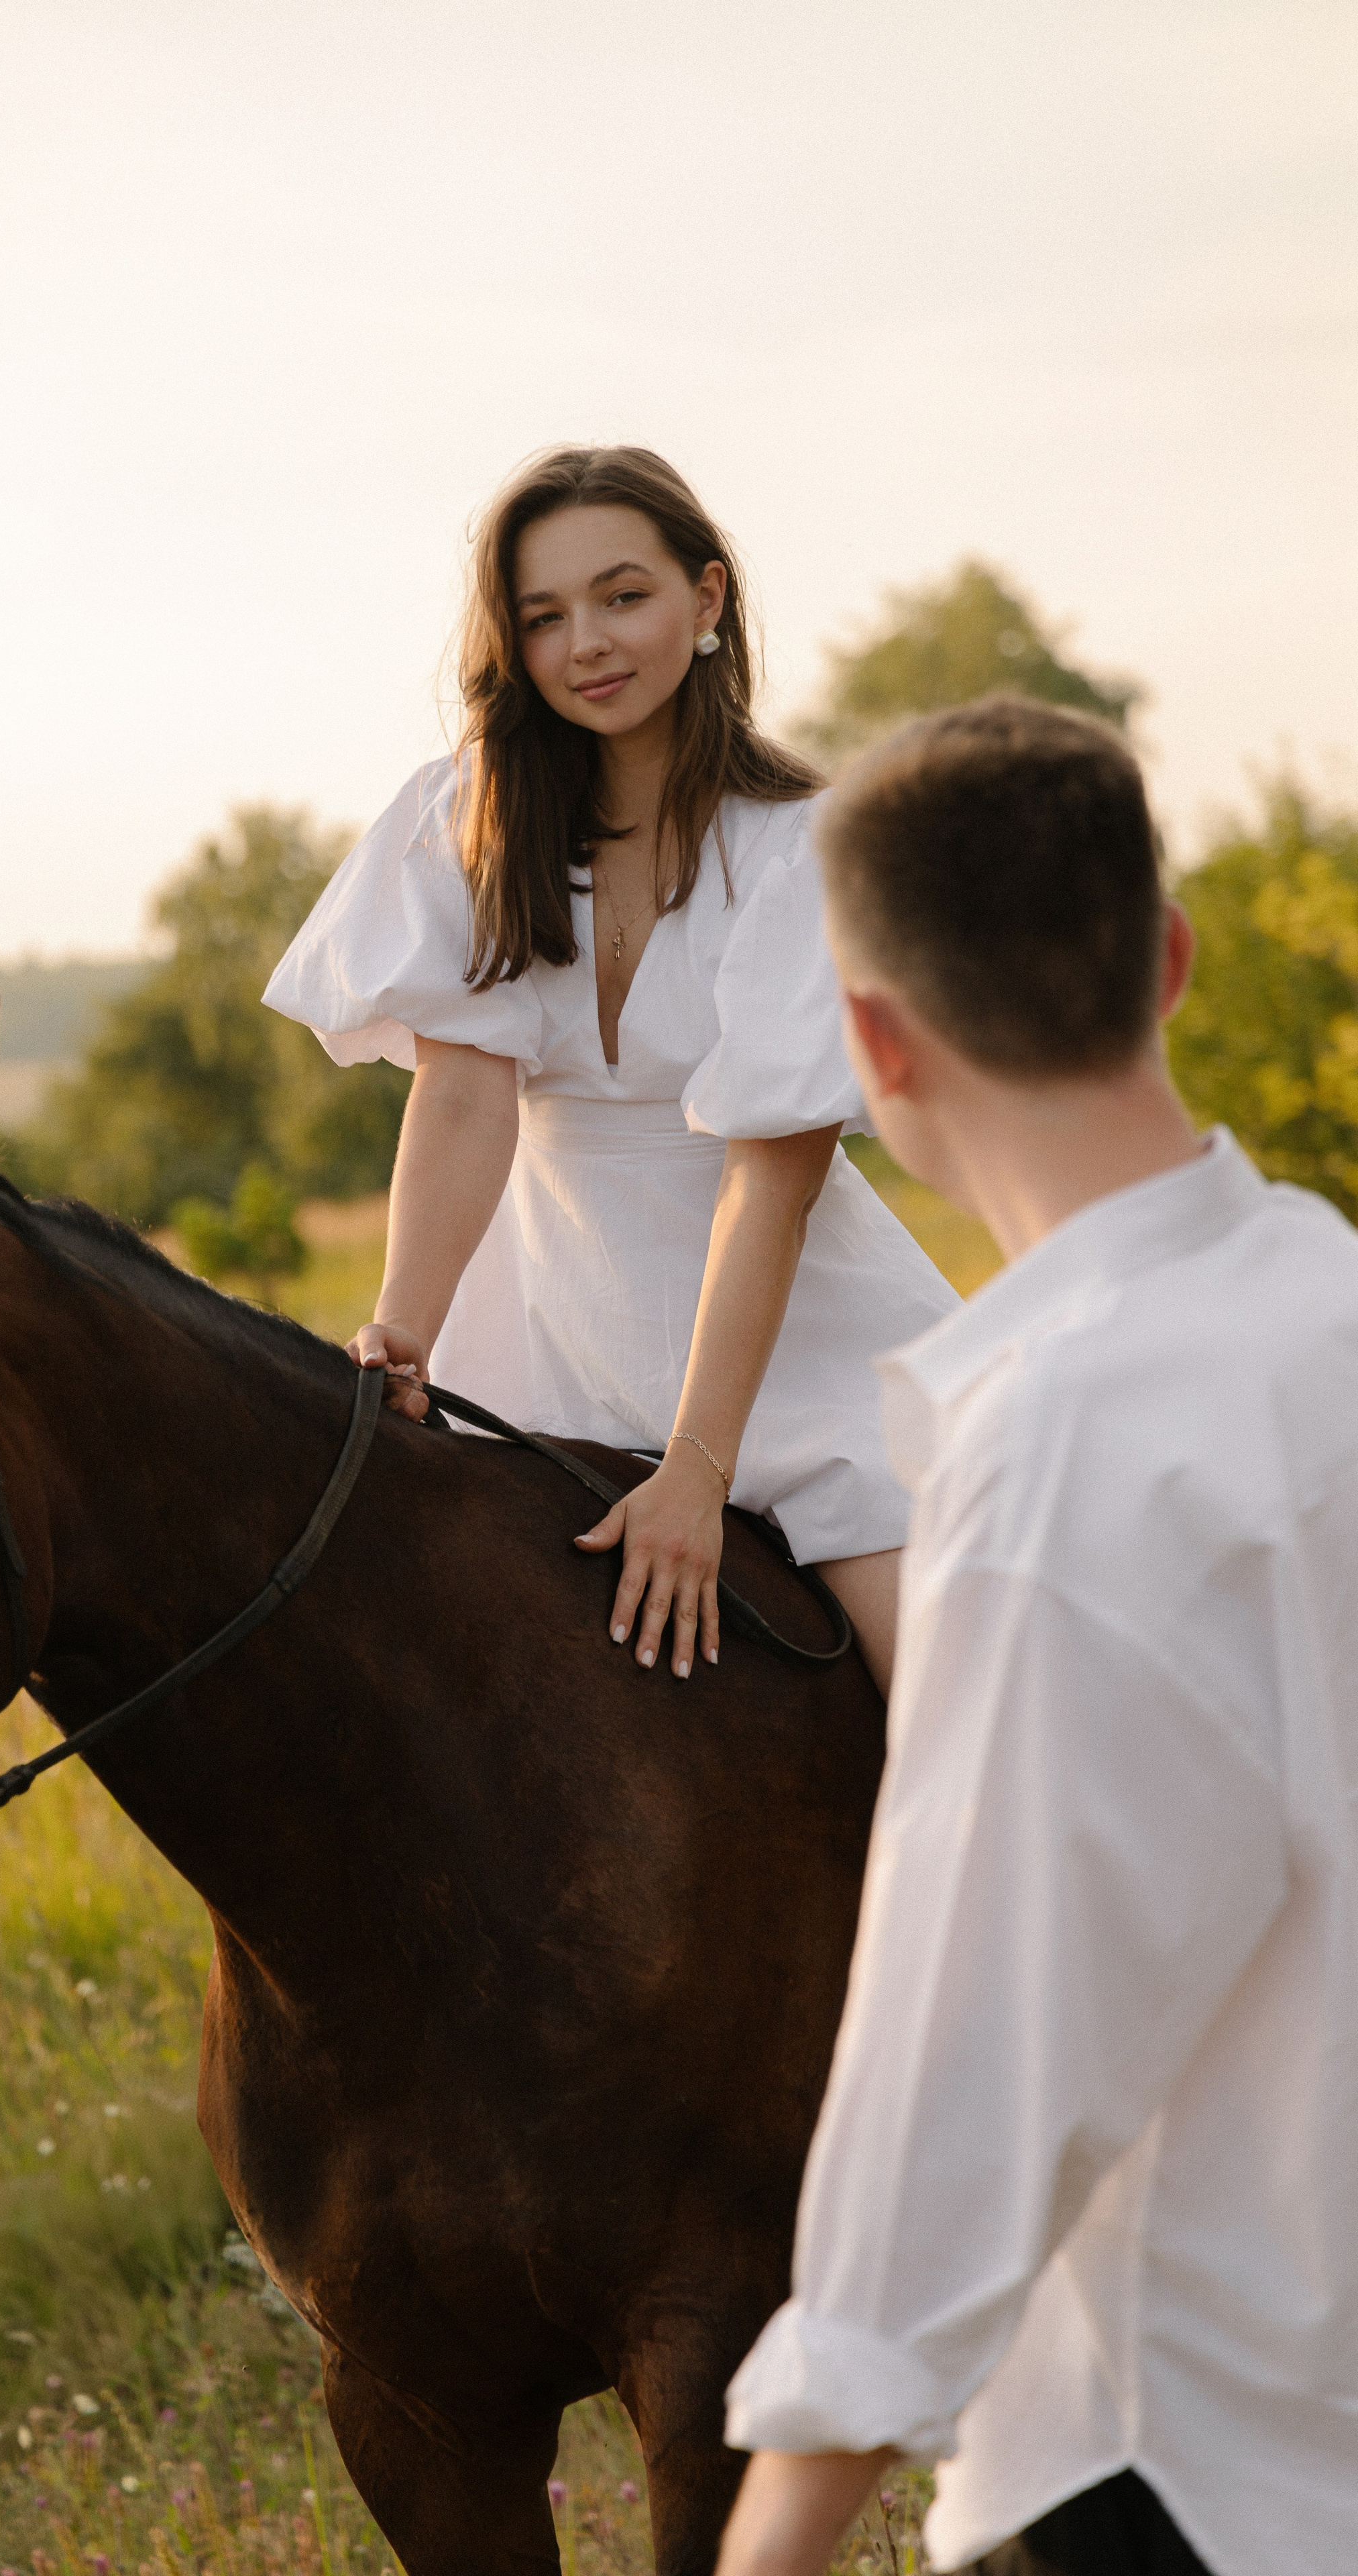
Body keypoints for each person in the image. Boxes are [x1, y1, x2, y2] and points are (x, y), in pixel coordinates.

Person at [717, 696, 1358, 2576]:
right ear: (1169, 960)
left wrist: (779, 2532)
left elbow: (974, 2045)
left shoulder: (1066, 1445)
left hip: (1202, 2465)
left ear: (871, 1046)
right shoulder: (1331, 1287)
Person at [264, 445, 956, 1688]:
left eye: (622, 596)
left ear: (708, 600)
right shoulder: (466, 819)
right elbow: (467, 1097)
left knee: (956, 1698)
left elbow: (772, 1183)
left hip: (792, 1355)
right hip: (534, 1328)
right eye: (544, 616)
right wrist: (406, 1333)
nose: (586, 639)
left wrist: (699, 1464)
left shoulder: (808, 848)